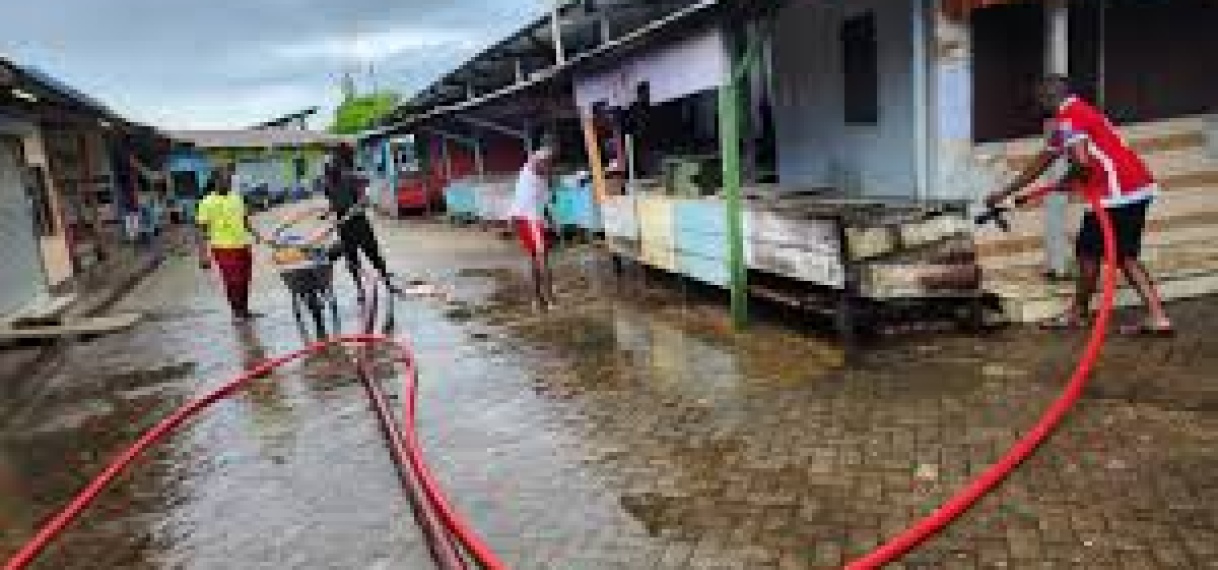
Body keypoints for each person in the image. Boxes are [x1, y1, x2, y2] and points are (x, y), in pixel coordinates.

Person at [986, 75, 1173, 336]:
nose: (1035, 104)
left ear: (1052, 97)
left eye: (1039, 98)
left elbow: (1082, 164)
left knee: (1091, 251)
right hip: (1136, 186)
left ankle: (1079, 313)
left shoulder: (1069, 119)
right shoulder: (1081, 113)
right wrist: (1005, 192)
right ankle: (1157, 317)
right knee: (1120, 255)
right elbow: (1043, 161)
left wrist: (1069, 180)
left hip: (1114, 193)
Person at [322, 143, 395, 299]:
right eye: (328, 167)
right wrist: (328, 213)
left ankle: (388, 284)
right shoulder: (328, 184)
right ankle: (360, 290)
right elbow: (333, 203)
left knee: (373, 254)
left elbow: (364, 200)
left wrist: (353, 209)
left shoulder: (351, 177)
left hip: (358, 222)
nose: (330, 168)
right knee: (352, 260)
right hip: (344, 224)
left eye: (333, 164)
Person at [196, 166, 263, 322]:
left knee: (245, 279)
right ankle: (236, 313)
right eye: (225, 180)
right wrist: (203, 255)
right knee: (233, 280)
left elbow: (244, 219)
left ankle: (244, 310)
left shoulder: (236, 198)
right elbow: (200, 230)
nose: (228, 183)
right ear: (216, 181)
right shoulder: (206, 202)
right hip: (223, 247)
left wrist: (255, 234)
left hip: (242, 244)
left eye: (229, 180)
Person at [508, 147, 557, 310]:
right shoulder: (531, 168)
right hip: (528, 218)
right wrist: (549, 170)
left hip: (525, 218)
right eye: (548, 163)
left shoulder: (542, 183)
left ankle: (537, 300)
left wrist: (552, 223)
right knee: (542, 258)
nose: (549, 166)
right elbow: (537, 161)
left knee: (535, 257)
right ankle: (550, 300)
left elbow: (546, 206)